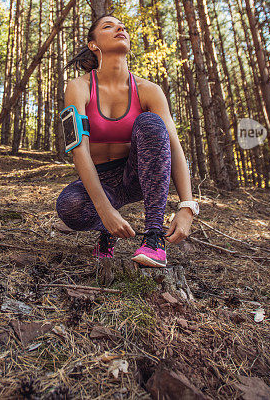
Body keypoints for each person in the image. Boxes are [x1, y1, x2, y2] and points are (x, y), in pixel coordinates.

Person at [55, 14, 198, 268]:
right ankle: (108, 232)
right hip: (99, 178)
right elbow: (79, 149)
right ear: (93, 44)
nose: (120, 28)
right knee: (69, 207)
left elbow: (174, 146)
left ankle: (154, 238)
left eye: (122, 26)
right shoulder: (79, 87)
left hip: (138, 177)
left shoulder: (148, 89)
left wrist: (187, 206)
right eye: (108, 27)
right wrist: (105, 211)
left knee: (151, 123)